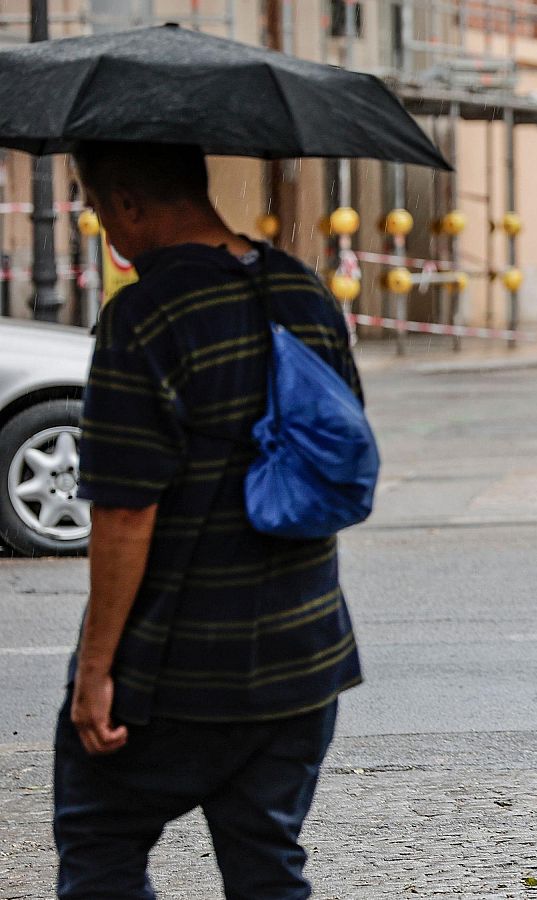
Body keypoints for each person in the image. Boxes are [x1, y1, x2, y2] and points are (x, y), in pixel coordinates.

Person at [55, 141, 363, 899]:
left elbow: (126, 511)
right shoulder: (303, 292)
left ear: (129, 203)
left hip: (176, 667)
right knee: (267, 865)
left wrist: (96, 673)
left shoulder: (144, 316)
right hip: (302, 656)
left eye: (98, 208)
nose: (104, 227)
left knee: (101, 848)